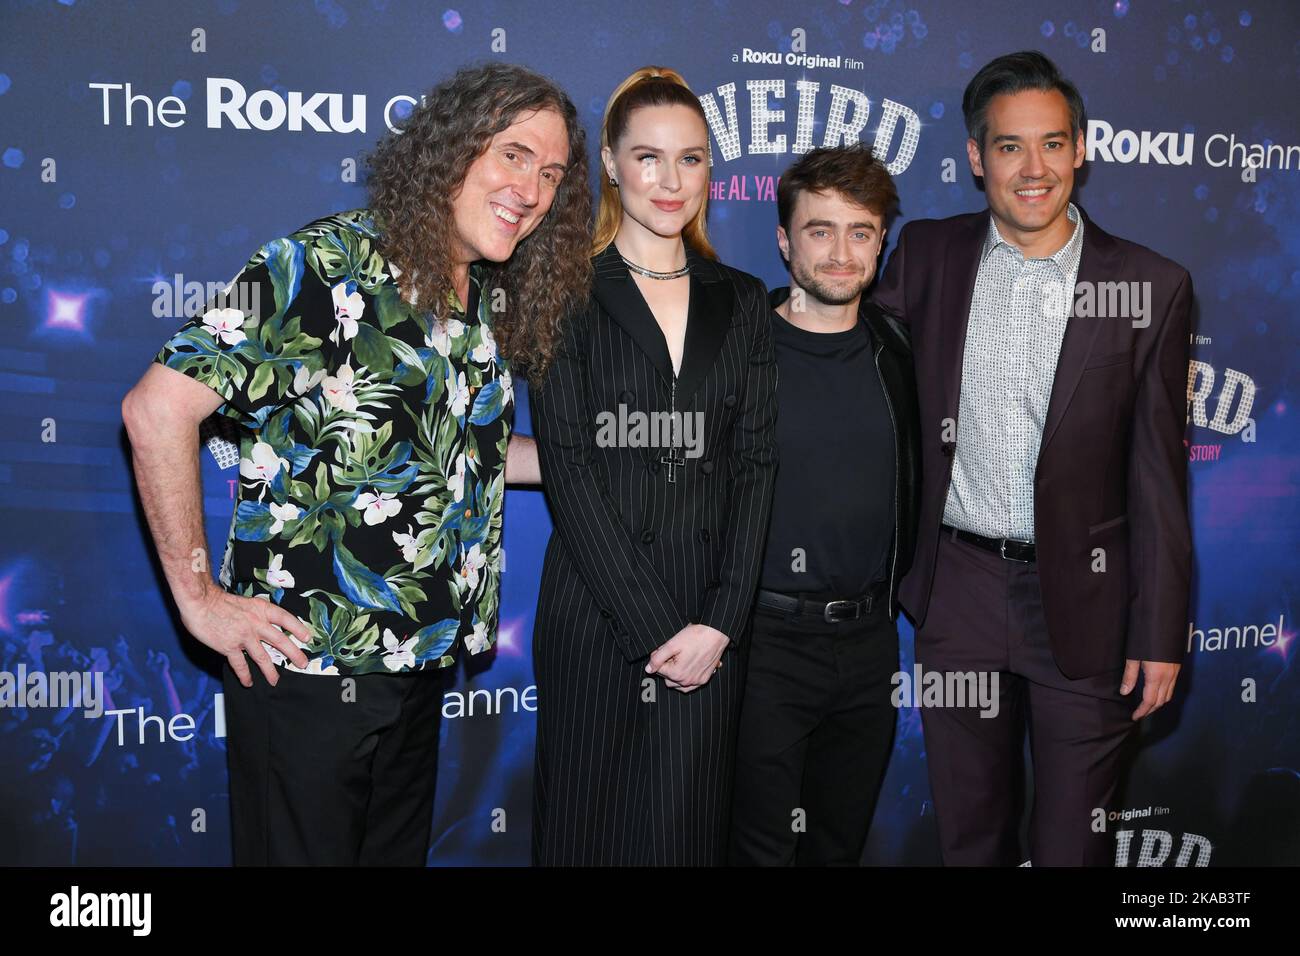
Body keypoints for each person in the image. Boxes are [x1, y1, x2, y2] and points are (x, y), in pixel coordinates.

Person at [120, 62, 592, 865]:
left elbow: (458, 456)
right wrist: (198, 596)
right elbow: (157, 409)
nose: (533, 190)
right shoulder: (317, 262)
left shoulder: (477, 295)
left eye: (550, 174)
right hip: (309, 668)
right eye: (514, 155)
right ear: (451, 149)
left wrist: (589, 460)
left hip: (418, 667)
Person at [871, 50, 1192, 865]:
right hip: (959, 593)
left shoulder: (1150, 285)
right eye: (1010, 146)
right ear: (978, 158)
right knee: (970, 836)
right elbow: (842, 358)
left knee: (1069, 846)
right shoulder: (928, 256)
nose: (1034, 167)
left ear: (1081, 149)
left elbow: (1159, 473)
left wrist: (1158, 628)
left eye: (1053, 143)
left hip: (1088, 602)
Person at [530, 66, 778, 866]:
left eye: (692, 159)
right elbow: (568, 466)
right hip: (595, 614)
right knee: (584, 837)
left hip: (709, 626)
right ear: (607, 161)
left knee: (682, 840)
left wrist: (719, 621)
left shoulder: (741, 299)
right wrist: (655, 629)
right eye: (648, 157)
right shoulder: (562, 290)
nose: (671, 182)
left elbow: (755, 463)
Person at [729, 144, 919, 866]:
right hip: (762, 643)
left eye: (861, 231)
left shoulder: (899, 351)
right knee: (758, 852)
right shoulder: (740, 353)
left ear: (880, 242)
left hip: (871, 642)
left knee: (835, 848)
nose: (842, 253)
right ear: (784, 240)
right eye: (820, 230)